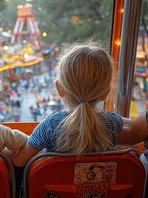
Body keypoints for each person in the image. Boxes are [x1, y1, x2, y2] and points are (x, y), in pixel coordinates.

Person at [11, 41, 148, 167]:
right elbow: (132, 135)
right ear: (105, 93)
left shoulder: (49, 126)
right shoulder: (111, 124)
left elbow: (18, 161)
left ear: (59, 88)